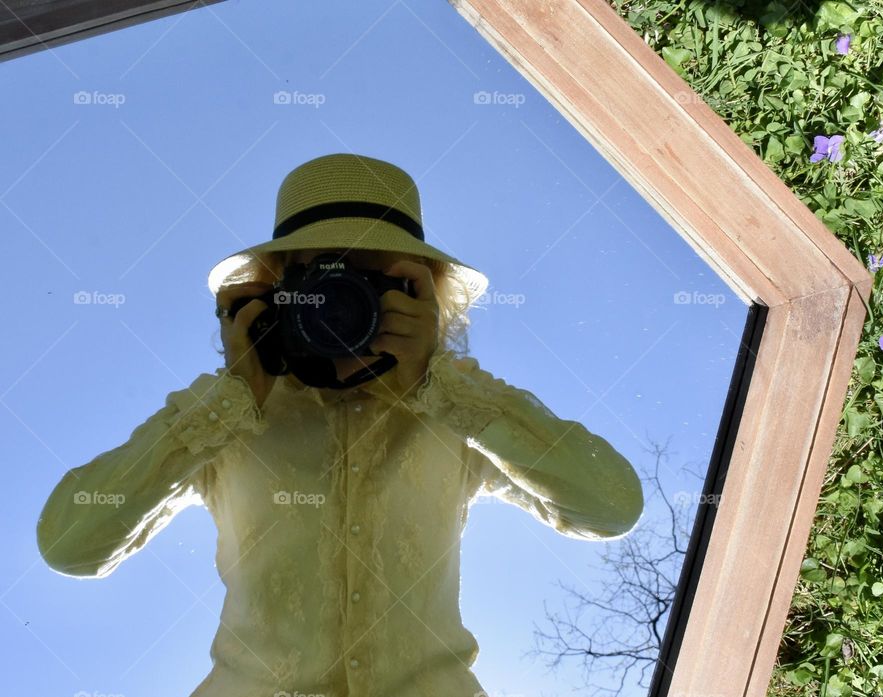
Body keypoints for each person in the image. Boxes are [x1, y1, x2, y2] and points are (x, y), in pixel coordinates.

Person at [36, 153, 644, 697]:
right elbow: (70, 546)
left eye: (372, 280)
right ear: (276, 287)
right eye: (321, 278)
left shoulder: (460, 417)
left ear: (423, 292)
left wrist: (444, 384)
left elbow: (611, 506)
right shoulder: (226, 421)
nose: (342, 300)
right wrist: (230, 398)